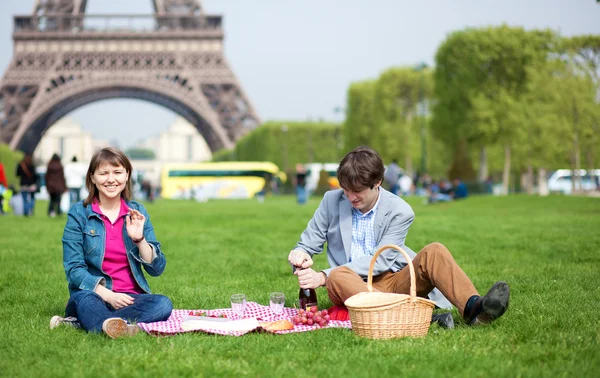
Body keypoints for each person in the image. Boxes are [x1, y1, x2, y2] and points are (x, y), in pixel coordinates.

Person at [287, 146, 510, 326]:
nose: (350, 197)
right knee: (338, 277)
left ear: (377, 183)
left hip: (393, 280)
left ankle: (474, 308)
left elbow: (381, 260)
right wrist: (301, 253)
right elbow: (309, 241)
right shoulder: (331, 201)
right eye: (346, 189)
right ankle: (415, 315)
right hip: (349, 284)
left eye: (358, 191)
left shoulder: (400, 210)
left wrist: (322, 276)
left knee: (435, 250)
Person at [51, 147, 172, 338]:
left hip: (130, 297)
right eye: (103, 173)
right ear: (92, 177)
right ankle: (118, 324)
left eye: (117, 172)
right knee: (85, 302)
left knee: (163, 304)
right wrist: (109, 295)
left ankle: (94, 323)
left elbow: (156, 269)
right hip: (93, 294)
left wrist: (139, 239)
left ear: (127, 176)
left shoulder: (137, 212)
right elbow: (74, 269)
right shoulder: (79, 213)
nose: (111, 179)